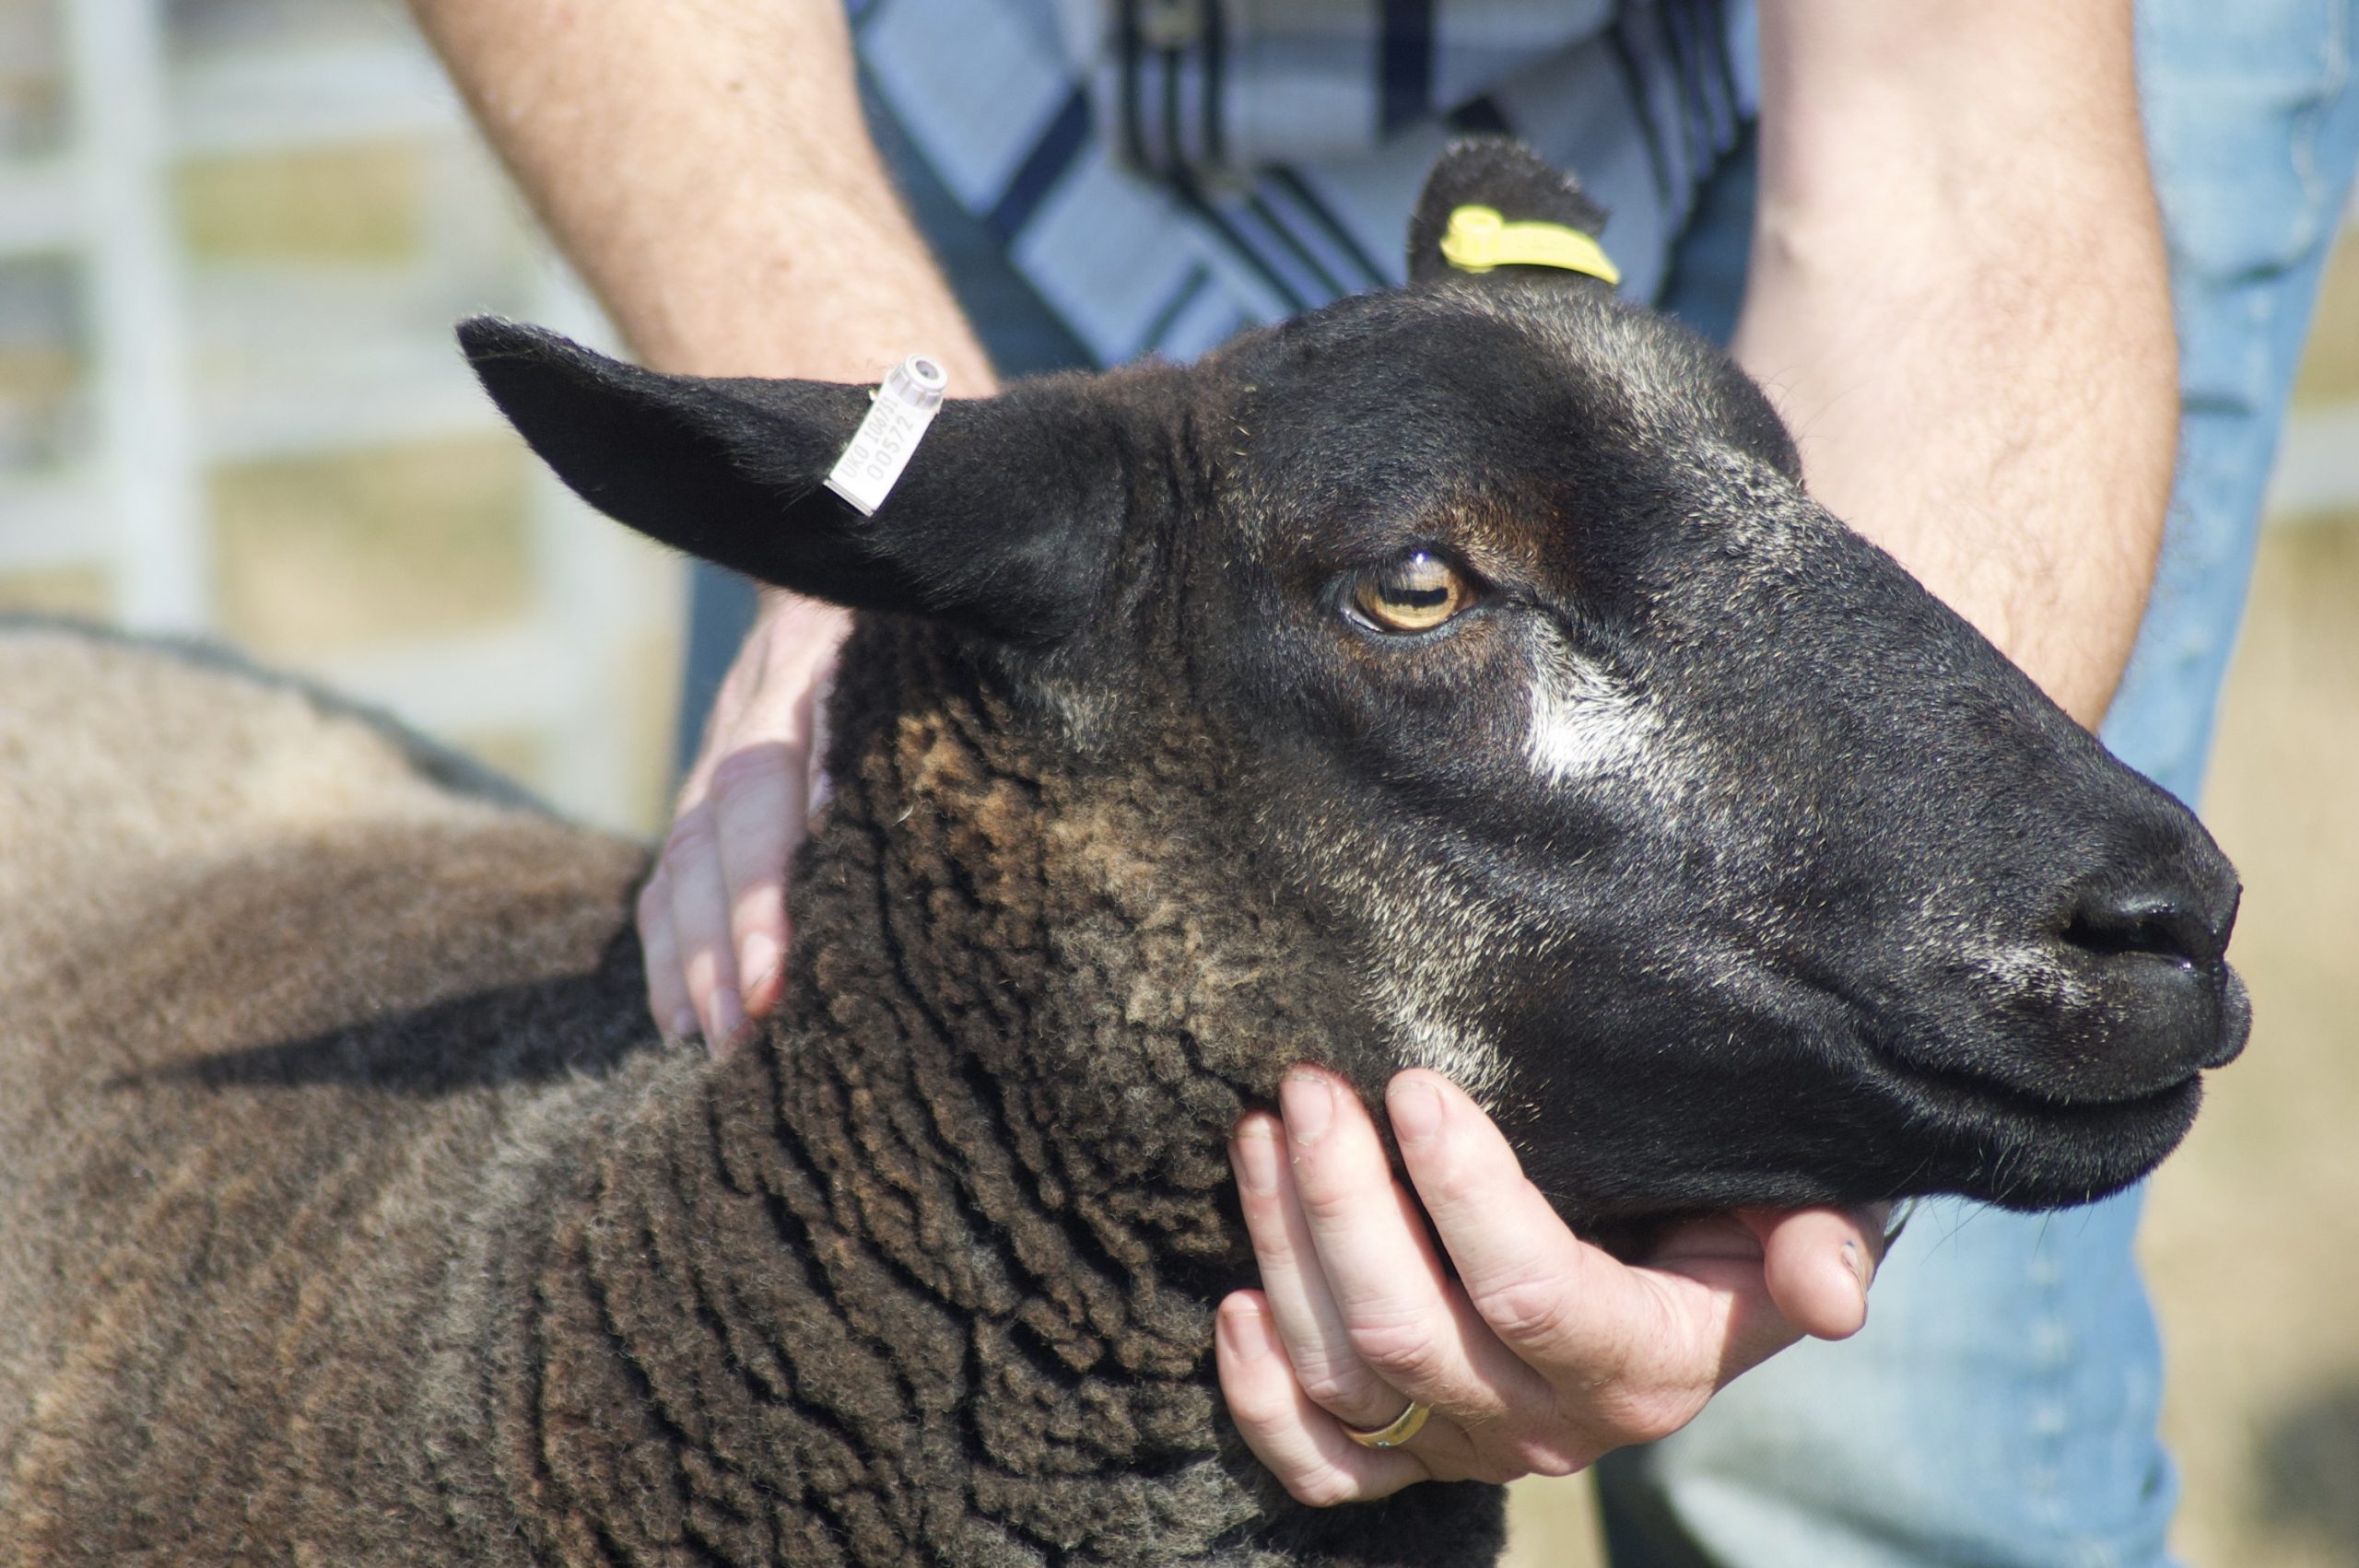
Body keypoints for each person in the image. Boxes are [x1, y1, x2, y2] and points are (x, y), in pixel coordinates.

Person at [407, 0, 2359, 1561]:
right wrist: (867, 494)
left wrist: (1832, 1144)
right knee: (876, 1142)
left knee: (1869, 1447)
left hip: (1841, 75)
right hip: (972, 67)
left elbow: (1955, 165)